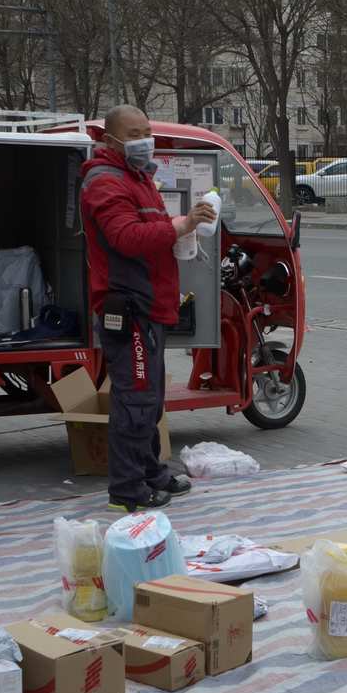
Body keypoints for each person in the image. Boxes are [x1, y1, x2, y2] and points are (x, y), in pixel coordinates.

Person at [80, 104, 217, 511]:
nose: (145, 141)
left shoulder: (138, 178)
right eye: (134, 133)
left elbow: (152, 231)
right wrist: (182, 225)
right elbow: (126, 238)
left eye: (147, 131)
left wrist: (183, 232)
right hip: (129, 306)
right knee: (135, 398)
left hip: (149, 304)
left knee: (150, 397)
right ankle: (126, 491)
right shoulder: (105, 182)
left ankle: (151, 472)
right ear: (111, 140)